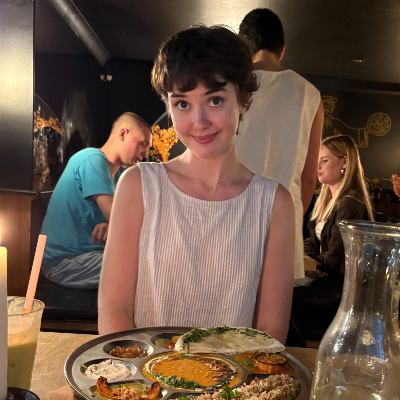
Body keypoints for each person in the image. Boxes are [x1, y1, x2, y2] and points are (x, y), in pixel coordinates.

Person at [98, 25, 295, 343]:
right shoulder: (138, 185)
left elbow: (270, 331)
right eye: (183, 104)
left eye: (215, 100)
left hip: (235, 374)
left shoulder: (274, 203)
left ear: (243, 100)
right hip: (146, 372)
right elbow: (114, 310)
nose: (199, 122)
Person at [235, 8, 324, 280]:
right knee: (273, 304)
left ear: (243, 48)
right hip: (283, 220)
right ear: (282, 50)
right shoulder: (310, 94)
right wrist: (290, 215)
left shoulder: (229, 86)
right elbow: (309, 178)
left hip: (230, 216)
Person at [41, 112, 152, 289]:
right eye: (143, 144)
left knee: (155, 261)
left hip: (92, 257)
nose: (145, 154)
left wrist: (112, 224)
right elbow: (121, 218)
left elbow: (126, 218)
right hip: (65, 262)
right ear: (124, 134)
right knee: (150, 267)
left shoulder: (120, 175)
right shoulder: (92, 159)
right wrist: (116, 222)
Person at [290, 134, 374, 342]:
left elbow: (335, 262)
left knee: (283, 299)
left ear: (345, 161)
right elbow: (310, 241)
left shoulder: (350, 204)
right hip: (323, 279)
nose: (317, 166)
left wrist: (309, 262)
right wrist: (308, 260)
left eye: (325, 160)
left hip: (337, 292)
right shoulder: (326, 199)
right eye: (317, 160)